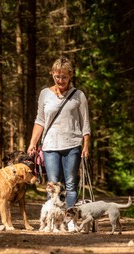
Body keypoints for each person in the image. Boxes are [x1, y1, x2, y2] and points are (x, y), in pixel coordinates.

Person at [27, 56, 91, 223]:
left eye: (64, 76)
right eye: (57, 76)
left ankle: (70, 221)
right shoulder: (45, 94)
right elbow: (40, 120)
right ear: (52, 74)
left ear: (70, 75)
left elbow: (85, 123)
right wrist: (33, 142)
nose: (60, 80)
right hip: (49, 146)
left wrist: (86, 146)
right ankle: (53, 220)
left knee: (70, 184)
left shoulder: (79, 95)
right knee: (53, 184)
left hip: (72, 144)